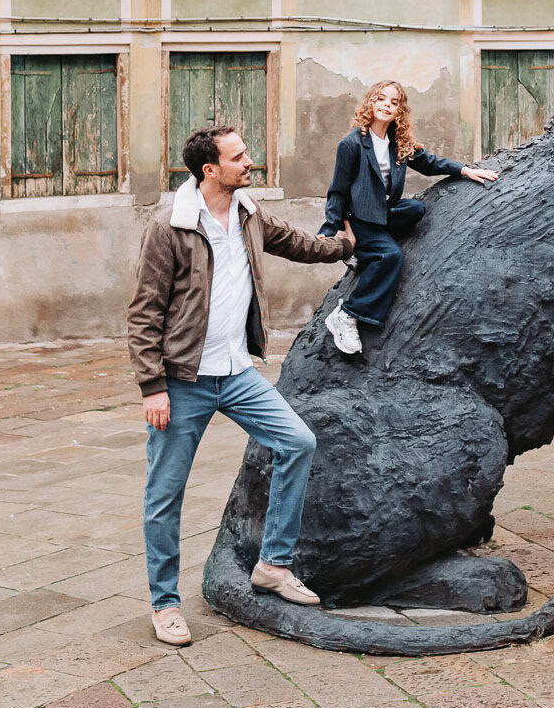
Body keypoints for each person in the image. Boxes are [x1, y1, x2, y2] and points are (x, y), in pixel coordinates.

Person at [129, 124, 356, 648]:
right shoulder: (171, 226)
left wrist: (344, 243)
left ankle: (273, 565)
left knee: (297, 442)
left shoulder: (249, 212)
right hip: (183, 380)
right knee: (164, 495)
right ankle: (165, 604)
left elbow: (295, 243)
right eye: (239, 156)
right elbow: (144, 313)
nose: (248, 161)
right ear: (210, 169)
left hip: (235, 373)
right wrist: (152, 386)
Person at [319, 80, 498, 356]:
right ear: (370, 103)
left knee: (415, 209)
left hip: (382, 213)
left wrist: (464, 170)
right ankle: (348, 313)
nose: (386, 105)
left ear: (399, 111)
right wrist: (334, 230)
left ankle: (367, 250)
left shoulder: (397, 143)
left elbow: (429, 163)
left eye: (393, 102)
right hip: (360, 219)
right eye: (381, 99)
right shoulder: (352, 144)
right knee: (391, 256)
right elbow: (338, 191)